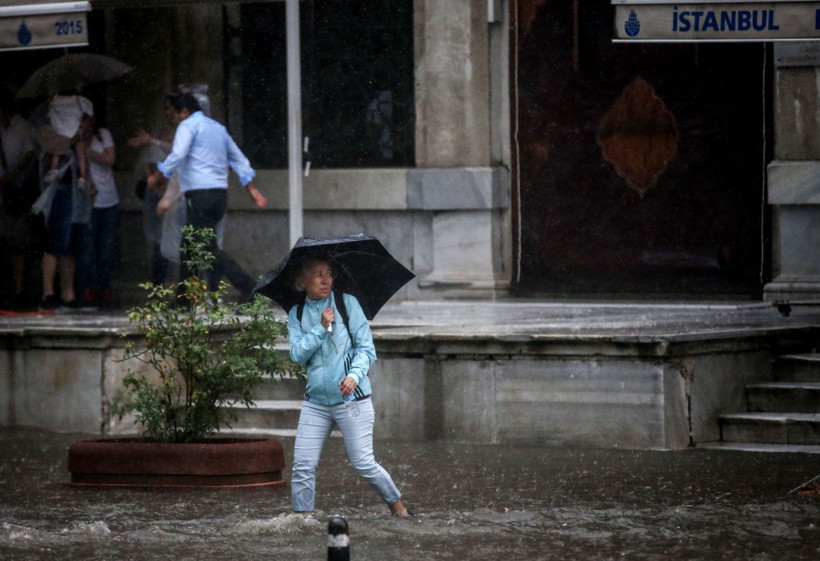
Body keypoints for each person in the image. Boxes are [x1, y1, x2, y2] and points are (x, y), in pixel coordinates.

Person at [287, 253, 411, 517]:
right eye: (318, 274)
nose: (325, 280)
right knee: (303, 465)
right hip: (316, 403)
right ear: (302, 280)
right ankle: (302, 519)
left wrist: (353, 377)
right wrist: (320, 328)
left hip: (351, 401)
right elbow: (297, 355)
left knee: (364, 463)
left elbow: (366, 349)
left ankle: (398, 507)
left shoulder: (346, 303)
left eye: (329, 274)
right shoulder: (296, 313)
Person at [146, 92, 266, 303]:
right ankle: (184, 301)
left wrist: (158, 175)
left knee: (206, 250)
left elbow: (178, 154)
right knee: (190, 249)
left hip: (201, 196)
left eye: (174, 114)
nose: (172, 120)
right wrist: (251, 188)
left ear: (184, 112)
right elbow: (238, 159)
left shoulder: (188, 126)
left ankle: (250, 286)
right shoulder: (218, 128)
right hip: (219, 196)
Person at [0, 83, 40, 310]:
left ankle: (18, 290)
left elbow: (28, 157)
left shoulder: (23, 128)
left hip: (15, 191)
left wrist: (8, 178)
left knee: (18, 242)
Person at [75, 113, 119, 308]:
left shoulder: (103, 135)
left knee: (106, 250)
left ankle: (104, 289)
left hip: (109, 199)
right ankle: (85, 290)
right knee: (87, 249)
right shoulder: (74, 139)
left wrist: (87, 150)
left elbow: (110, 159)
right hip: (88, 201)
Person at [44, 92, 91, 189]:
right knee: (80, 154)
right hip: (75, 131)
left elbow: (52, 112)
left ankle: (55, 168)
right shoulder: (78, 101)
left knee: (59, 151)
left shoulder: (59, 101)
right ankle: (82, 177)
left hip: (67, 132)